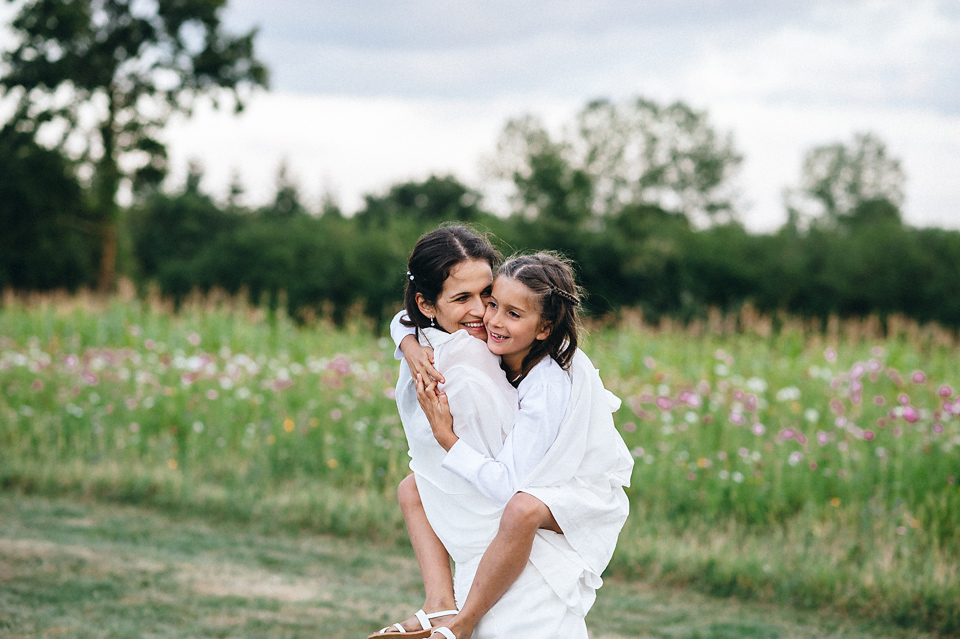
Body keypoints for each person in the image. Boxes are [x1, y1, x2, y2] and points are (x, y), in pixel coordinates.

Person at [373, 242, 633, 639]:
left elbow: (509, 485)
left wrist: (447, 437)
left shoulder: (546, 383)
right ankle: (439, 603)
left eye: (506, 310)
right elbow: (404, 319)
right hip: (536, 480)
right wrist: (409, 344)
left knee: (521, 509)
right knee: (413, 486)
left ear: (544, 328)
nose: (486, 315)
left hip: (582, 490)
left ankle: (463, 621)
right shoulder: (501, 345)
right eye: (490, 302)